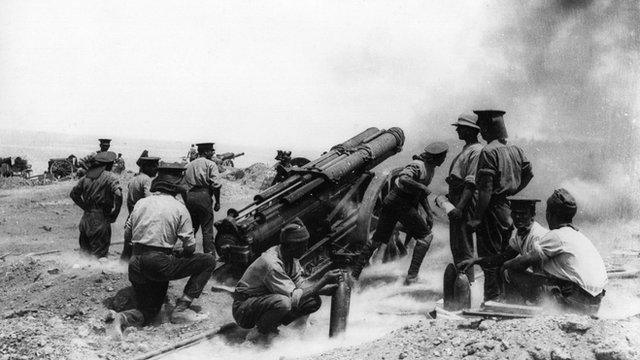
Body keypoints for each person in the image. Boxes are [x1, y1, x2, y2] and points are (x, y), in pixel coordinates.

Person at [106, 162, 216, 339]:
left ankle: (122, 318)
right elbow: (190, 247)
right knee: (208, 261)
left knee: (149, 311)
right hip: (159, 264)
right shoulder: (179, 208)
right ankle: (181, 309)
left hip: (135, 264)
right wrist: (178, 254)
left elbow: (128, 235)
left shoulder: (141, 203)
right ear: (178, 188)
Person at [351, 141, 449, 285]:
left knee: (378, 239)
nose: (444, 159)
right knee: (426, 237)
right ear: (436, 157)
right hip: (401, 203)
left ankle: (354, 275)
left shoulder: (429, 168)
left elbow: (420, 194)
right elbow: (403, 178)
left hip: (393, 201)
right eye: (443, 157)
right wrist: (421, 186)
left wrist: (428, 212)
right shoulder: (418, 165)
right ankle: (411, 277)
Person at [232, 218, 343, 343]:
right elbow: (295, 296)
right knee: (284, 303)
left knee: (312, 300)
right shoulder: (271, 263)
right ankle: (255, 336)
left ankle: (280, 330)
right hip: (243, 309)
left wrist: (323, 290)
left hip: (262, 302)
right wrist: (323, 280)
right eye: (303, 246)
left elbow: (299, 284)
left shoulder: (290, 257)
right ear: (291, 246)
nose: (306, 248)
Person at [500, 189, 607, 314]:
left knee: (510, 272)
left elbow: (524, 262)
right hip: (595, 303)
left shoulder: (556, 236)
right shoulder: (579, 236)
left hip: (576, 302)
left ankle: (512, 312)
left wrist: (504, 266)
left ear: (549, 214)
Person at [467, 110, 533, 301]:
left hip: (492, 210)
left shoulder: (489, 151)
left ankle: (492, 300)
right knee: (505, 256)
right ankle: (506, 298)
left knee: (490, 259)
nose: (481, 133)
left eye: (483, 128)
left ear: (489, 129)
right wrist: (512, 191)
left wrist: (477, 217)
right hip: (508, 209)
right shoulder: (516, 149)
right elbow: (529, 174)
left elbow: (486, 188)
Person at [457, 198, 548, 300]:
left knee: (508, 271)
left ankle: (525, 304)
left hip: (546, 283)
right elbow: (501, 258)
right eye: (515, 213)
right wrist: (474, 261)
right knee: (506, 269)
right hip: (537, 281)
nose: (518, 217)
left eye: (523, 214)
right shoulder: (519, 235)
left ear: (532, 215)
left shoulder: (537, 236)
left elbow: (540, 272)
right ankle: (514, 304)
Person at [446, 113, 483, 282]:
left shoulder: (476, 151)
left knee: (464, 246)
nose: (458, 131)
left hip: (464, 202)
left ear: (470, 130)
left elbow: (471, 183)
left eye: (460, 128)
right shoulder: (468, 149)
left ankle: (468, 286)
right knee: (457, 246)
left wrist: (460, 207)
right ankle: (462, 285)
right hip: (458, 198)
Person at [70, 151, 123, 258]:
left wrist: (84, 206)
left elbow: (73, 194)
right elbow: (118, 194)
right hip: (100, 218)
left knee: (85, 255)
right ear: (109, 164)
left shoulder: (87, 177)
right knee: (99, 256)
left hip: (86, 218)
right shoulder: (110, 177)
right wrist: (115, 213)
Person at [120, 151, 160, 261]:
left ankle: (121, 267)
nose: (156, 169)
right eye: (154, 166)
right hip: (142, 217)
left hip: (132, 215)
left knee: (128, 247)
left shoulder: (134, 179)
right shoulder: (146, 180)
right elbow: (149, 200)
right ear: (146, 167)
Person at [184, 142, 221, 256]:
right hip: (204, 196)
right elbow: (216, 185)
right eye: (211, 150)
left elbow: (182, 184)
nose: (213, 152)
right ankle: (209, 257)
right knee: (207, 229)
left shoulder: (188, 165)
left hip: (190, 196)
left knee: (191, 228)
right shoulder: (211, 164)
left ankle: (187, 254)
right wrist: (218, 202)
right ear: (205, 152)